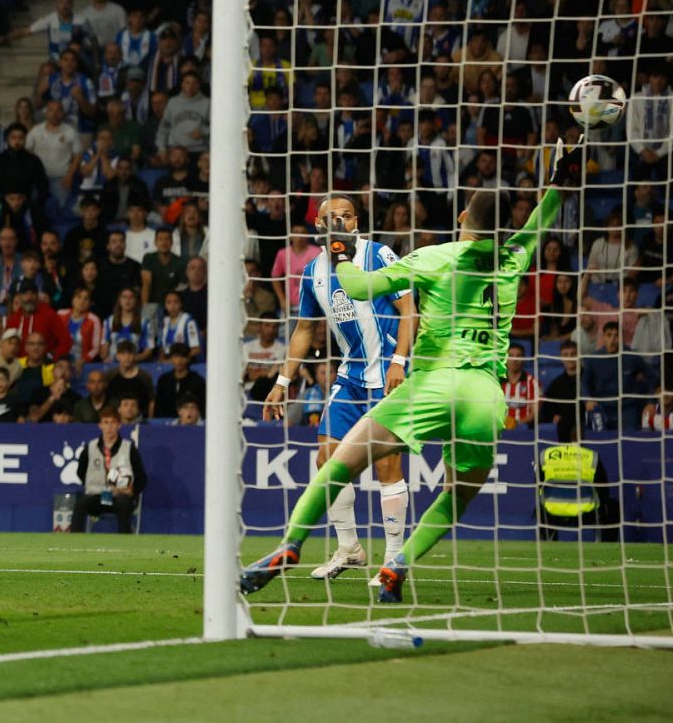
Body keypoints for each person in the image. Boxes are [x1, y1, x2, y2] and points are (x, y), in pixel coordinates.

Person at [243, 140, 576, 602]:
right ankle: (397, 565)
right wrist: (560, 183)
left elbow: (359, 285)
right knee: (456, 496)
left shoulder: (433, 257)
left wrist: (339, 252)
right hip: (486, 396)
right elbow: (542, 218)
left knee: (338, 464)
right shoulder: (515, 258)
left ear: (463, 219)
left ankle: (290, 545)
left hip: (434, 384)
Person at [261, 194, 417, 583]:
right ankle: (349, 549)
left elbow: (409, 310)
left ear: (357, 222)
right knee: (326, 462)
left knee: (386, 464)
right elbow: (304, 330)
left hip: (389, 376)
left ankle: (394, 561)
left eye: (346, 216)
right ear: (318, 225)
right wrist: (283, 381)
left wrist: (399, 362)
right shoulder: (313, 271)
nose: (340, 222)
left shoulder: (378, 254)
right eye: (332, 217)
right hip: (350, 378)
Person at [538, 419, 616, 541]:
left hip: (552, 512)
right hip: (586, 512)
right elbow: (604, 490)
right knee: (612, 506)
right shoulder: (591, 456)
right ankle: (607, 548)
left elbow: (537, 486)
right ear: (580, 435)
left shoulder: (546, 455)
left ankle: (547, 544)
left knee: (540, 505)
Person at [71, 407, 147, 532]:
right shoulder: (90, 447)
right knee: (80, 504)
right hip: (97, 495)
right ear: (100, 425)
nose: (109, 427)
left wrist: (131, 490)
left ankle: (126, 543)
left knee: (124, 505)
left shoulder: (128, 448)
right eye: (106, 422)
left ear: (119, 425)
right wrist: (92, 486)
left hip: (120, 497)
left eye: (113, 422)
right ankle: (73, 543)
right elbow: (81, 472)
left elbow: (141, 477)